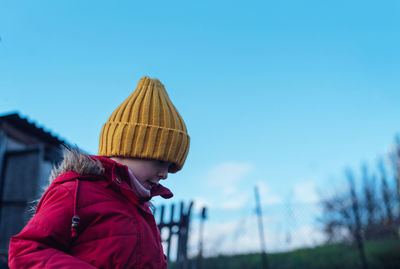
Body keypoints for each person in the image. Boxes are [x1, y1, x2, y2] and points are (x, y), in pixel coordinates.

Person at [8, 76, 190, 268]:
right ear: (126, 148)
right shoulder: (75, 193)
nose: (165, 174)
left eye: (170, 166)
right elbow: (26, 252)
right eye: (160, 161)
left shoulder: (143, 212)